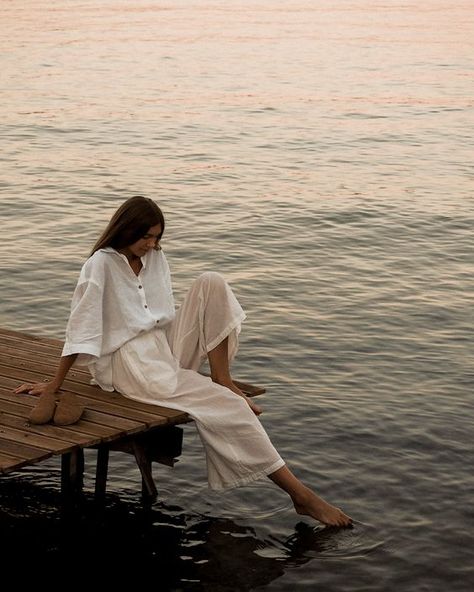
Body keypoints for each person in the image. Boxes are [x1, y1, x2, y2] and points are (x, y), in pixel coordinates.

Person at [14, 196, 352, 527]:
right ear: (125, 230)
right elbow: (81, 327)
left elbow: (160, 315)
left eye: (157, 237)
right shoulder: (99, 265)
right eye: (145, 236)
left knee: (211, 282)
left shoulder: (155, 258)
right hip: (128, 362)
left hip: (160, 344)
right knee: (228, 407)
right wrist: (54, 385)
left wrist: (182, 346)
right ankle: (300, 495)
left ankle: (222, 376)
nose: (152, 244)